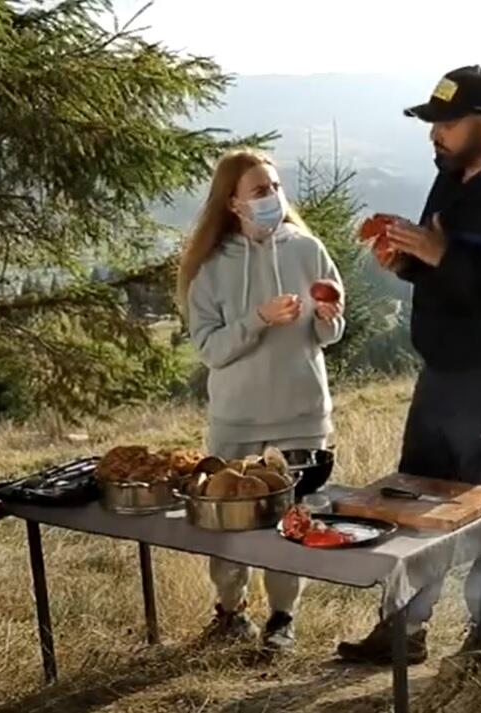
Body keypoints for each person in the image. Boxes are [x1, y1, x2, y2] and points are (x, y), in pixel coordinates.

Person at [337, 66, 481, 664]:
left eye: (447, 123)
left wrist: (445, 255)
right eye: (432, 123)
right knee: (414, 502)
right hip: (439, 372)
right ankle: (404, 630)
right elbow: (439, 256)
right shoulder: (450, 175)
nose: (435, 135)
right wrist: (410, 260)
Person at [178, 149, 346, 652]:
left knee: (294, 522)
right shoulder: (208, 267)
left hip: (301, 415)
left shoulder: (308, 249)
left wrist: (326, 314)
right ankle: (230, 612)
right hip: (237, 420)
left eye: (275, 187)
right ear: (232, 202)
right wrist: (257, 319)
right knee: (229, 525)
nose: (273, 198)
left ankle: (282, 619)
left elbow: (330, 333)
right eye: (259, 191)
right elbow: (210, 349)